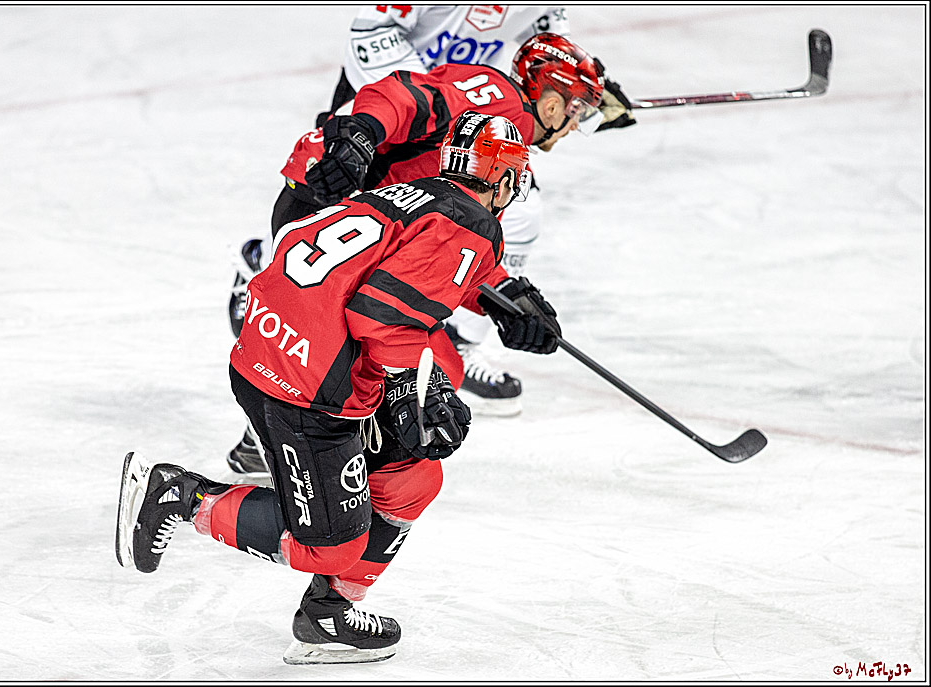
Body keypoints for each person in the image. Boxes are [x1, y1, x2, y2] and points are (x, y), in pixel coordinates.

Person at [117, 112, 563, 665]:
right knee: (328, 547)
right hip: (307, 387)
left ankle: (328, 614)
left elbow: (412, 263)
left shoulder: (421, 192)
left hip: (281, 343)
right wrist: (411, 389)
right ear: (505, 177)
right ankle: (179, 494)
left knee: (412, 478)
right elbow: (384, 314)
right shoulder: (473, 225)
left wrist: (504, 296)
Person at [225, 32, 614, 476]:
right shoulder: (504, 116)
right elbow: (404, 94)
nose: (576, 124)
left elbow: (442, 244)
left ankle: (269, 440)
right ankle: (298, 454)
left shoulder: (500, 106)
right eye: (578, 110)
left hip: (336, 205)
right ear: (553, 105)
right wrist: (360, 136)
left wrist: (502, 294)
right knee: (395, 359)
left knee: (418, 359)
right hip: (334, 192)